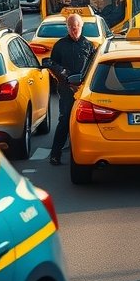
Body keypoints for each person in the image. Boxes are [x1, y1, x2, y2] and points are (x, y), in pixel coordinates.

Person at [45, 13, 95, 166]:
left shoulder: (88, 45)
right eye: (71, 28)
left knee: (87, 122)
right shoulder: (60, 45)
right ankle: (55, 154)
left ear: (82, 26)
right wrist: (64, 76)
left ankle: (91, 154)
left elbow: (93, 68)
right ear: (67, 28)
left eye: (77, 27)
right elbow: (51, 64)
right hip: (66, 88)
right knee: (65, 119)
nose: (74, 30)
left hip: (83, 90)